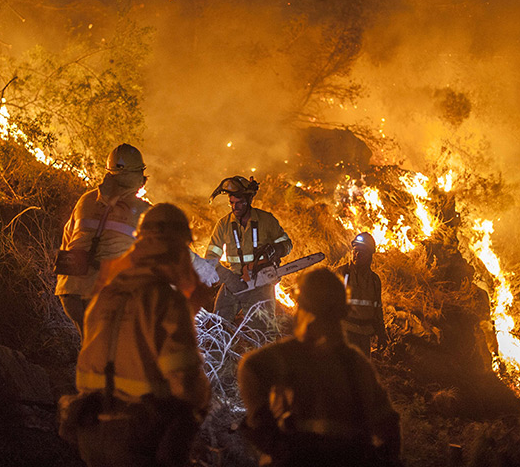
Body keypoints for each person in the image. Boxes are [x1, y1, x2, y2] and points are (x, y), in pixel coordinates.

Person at [74, 203, 210, 467]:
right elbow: (186, 382)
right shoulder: (167, 300)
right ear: (176, 247)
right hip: (139, 437)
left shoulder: (106, 294)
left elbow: (126, 344)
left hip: (90, 432)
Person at [237, 268, 401, 467]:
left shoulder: (292, 355)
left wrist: (266, 428)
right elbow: (388, 424)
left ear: (305, 308)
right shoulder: (356, 364)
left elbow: (249, 368)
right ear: (342, 311)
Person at [55, 143, 151, 337]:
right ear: (139, 177)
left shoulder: (86, 199)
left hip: (71, 290)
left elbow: (66, 241)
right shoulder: (144, 211)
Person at [205, 175, 292, 323]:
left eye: (239, 203)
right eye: (231, 203)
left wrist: (275, 250)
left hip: (262, 283)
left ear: (249, 201)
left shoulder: (266, 220)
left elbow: (287, 244)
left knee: (263, 329)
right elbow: (210, 258)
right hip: (234, 281)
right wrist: (229, 278)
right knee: (218, 323)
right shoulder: (224, 224)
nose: (235, 207)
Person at [336, 232, 388, 357]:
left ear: (370, 255)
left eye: (362, 252)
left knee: (360, 372)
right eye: (355, 250)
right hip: (345, 332)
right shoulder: (343, 273)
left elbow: (377, 308)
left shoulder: (375, 280)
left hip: (364, 336)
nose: (357, 254)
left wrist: (381, 333)